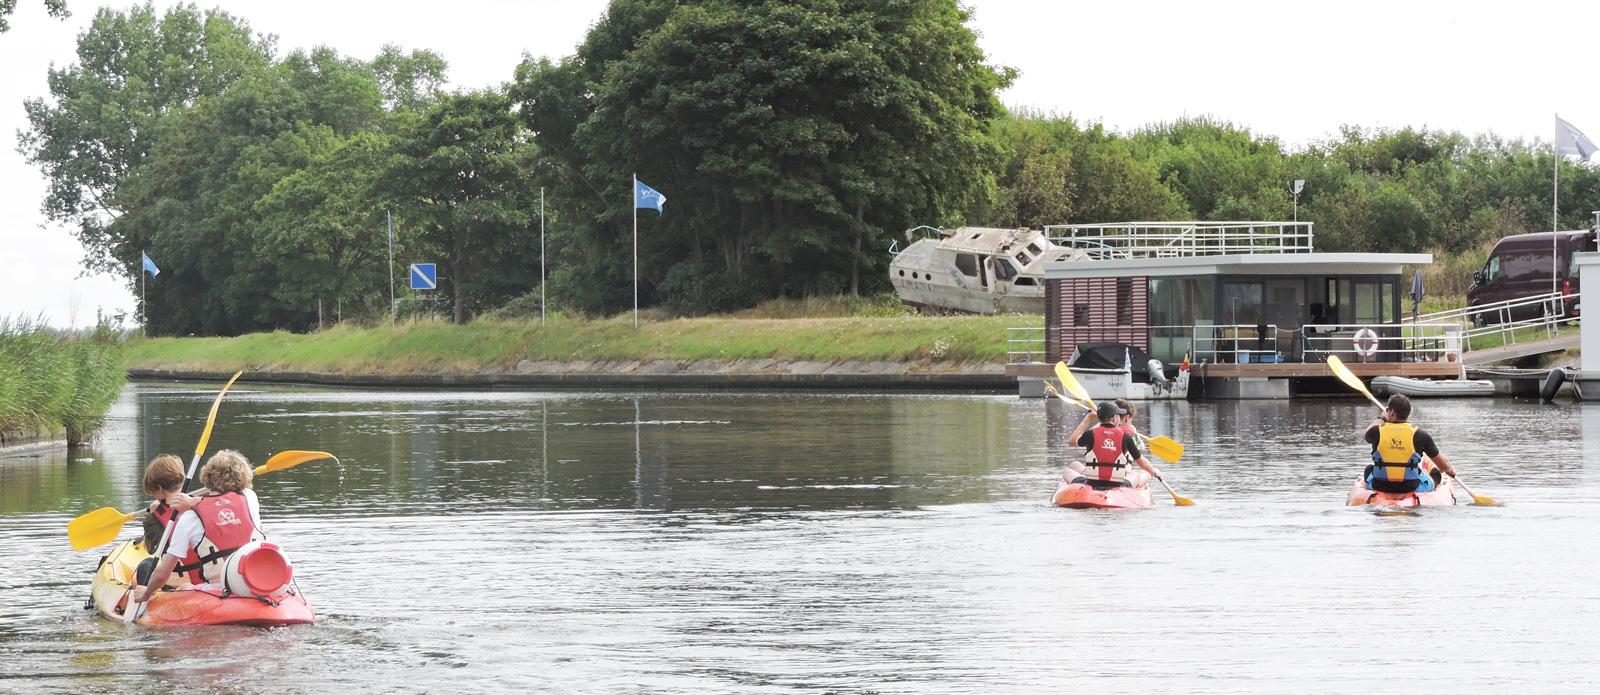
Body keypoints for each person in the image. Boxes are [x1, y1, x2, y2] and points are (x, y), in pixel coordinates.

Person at [134, 451, 264, 602]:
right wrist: (192, 502)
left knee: (150, 568)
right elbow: (219, 502)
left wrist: (146, 594)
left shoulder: (190, 518)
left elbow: (162, 573)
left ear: (207, 478)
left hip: (218, 589)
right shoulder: (250, 498)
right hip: (254, 581)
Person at [1362, 394, 1458, 493]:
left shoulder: (1376, 432)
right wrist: (1450, 470)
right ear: (1408, 413)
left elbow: (1366, 433)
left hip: (1379, 485)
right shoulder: (1420, 435)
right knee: (1436, 474)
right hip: (1410, 486)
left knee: (1369, 469)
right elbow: (1444, 466)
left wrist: (1382, 417)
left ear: (1391, 413)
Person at [1065, 401, 1166, 488]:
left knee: (1067, 471)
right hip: (1117, 484)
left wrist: (1088, 419)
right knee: (1135, 473)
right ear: (1114, 418)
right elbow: (1141, 462)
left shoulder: (1091, 434)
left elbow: (1072, 441)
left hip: (1092, 483)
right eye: (1118, 415)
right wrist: (1154, 473)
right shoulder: (1125, 436)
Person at [135, 454, 195, 587]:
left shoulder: (154, 519)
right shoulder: (200, 505)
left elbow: (151, 550)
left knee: (145, 566)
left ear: (160, 489)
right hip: (203, 576)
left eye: (153, 492)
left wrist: (155, 513)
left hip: (174, 579)